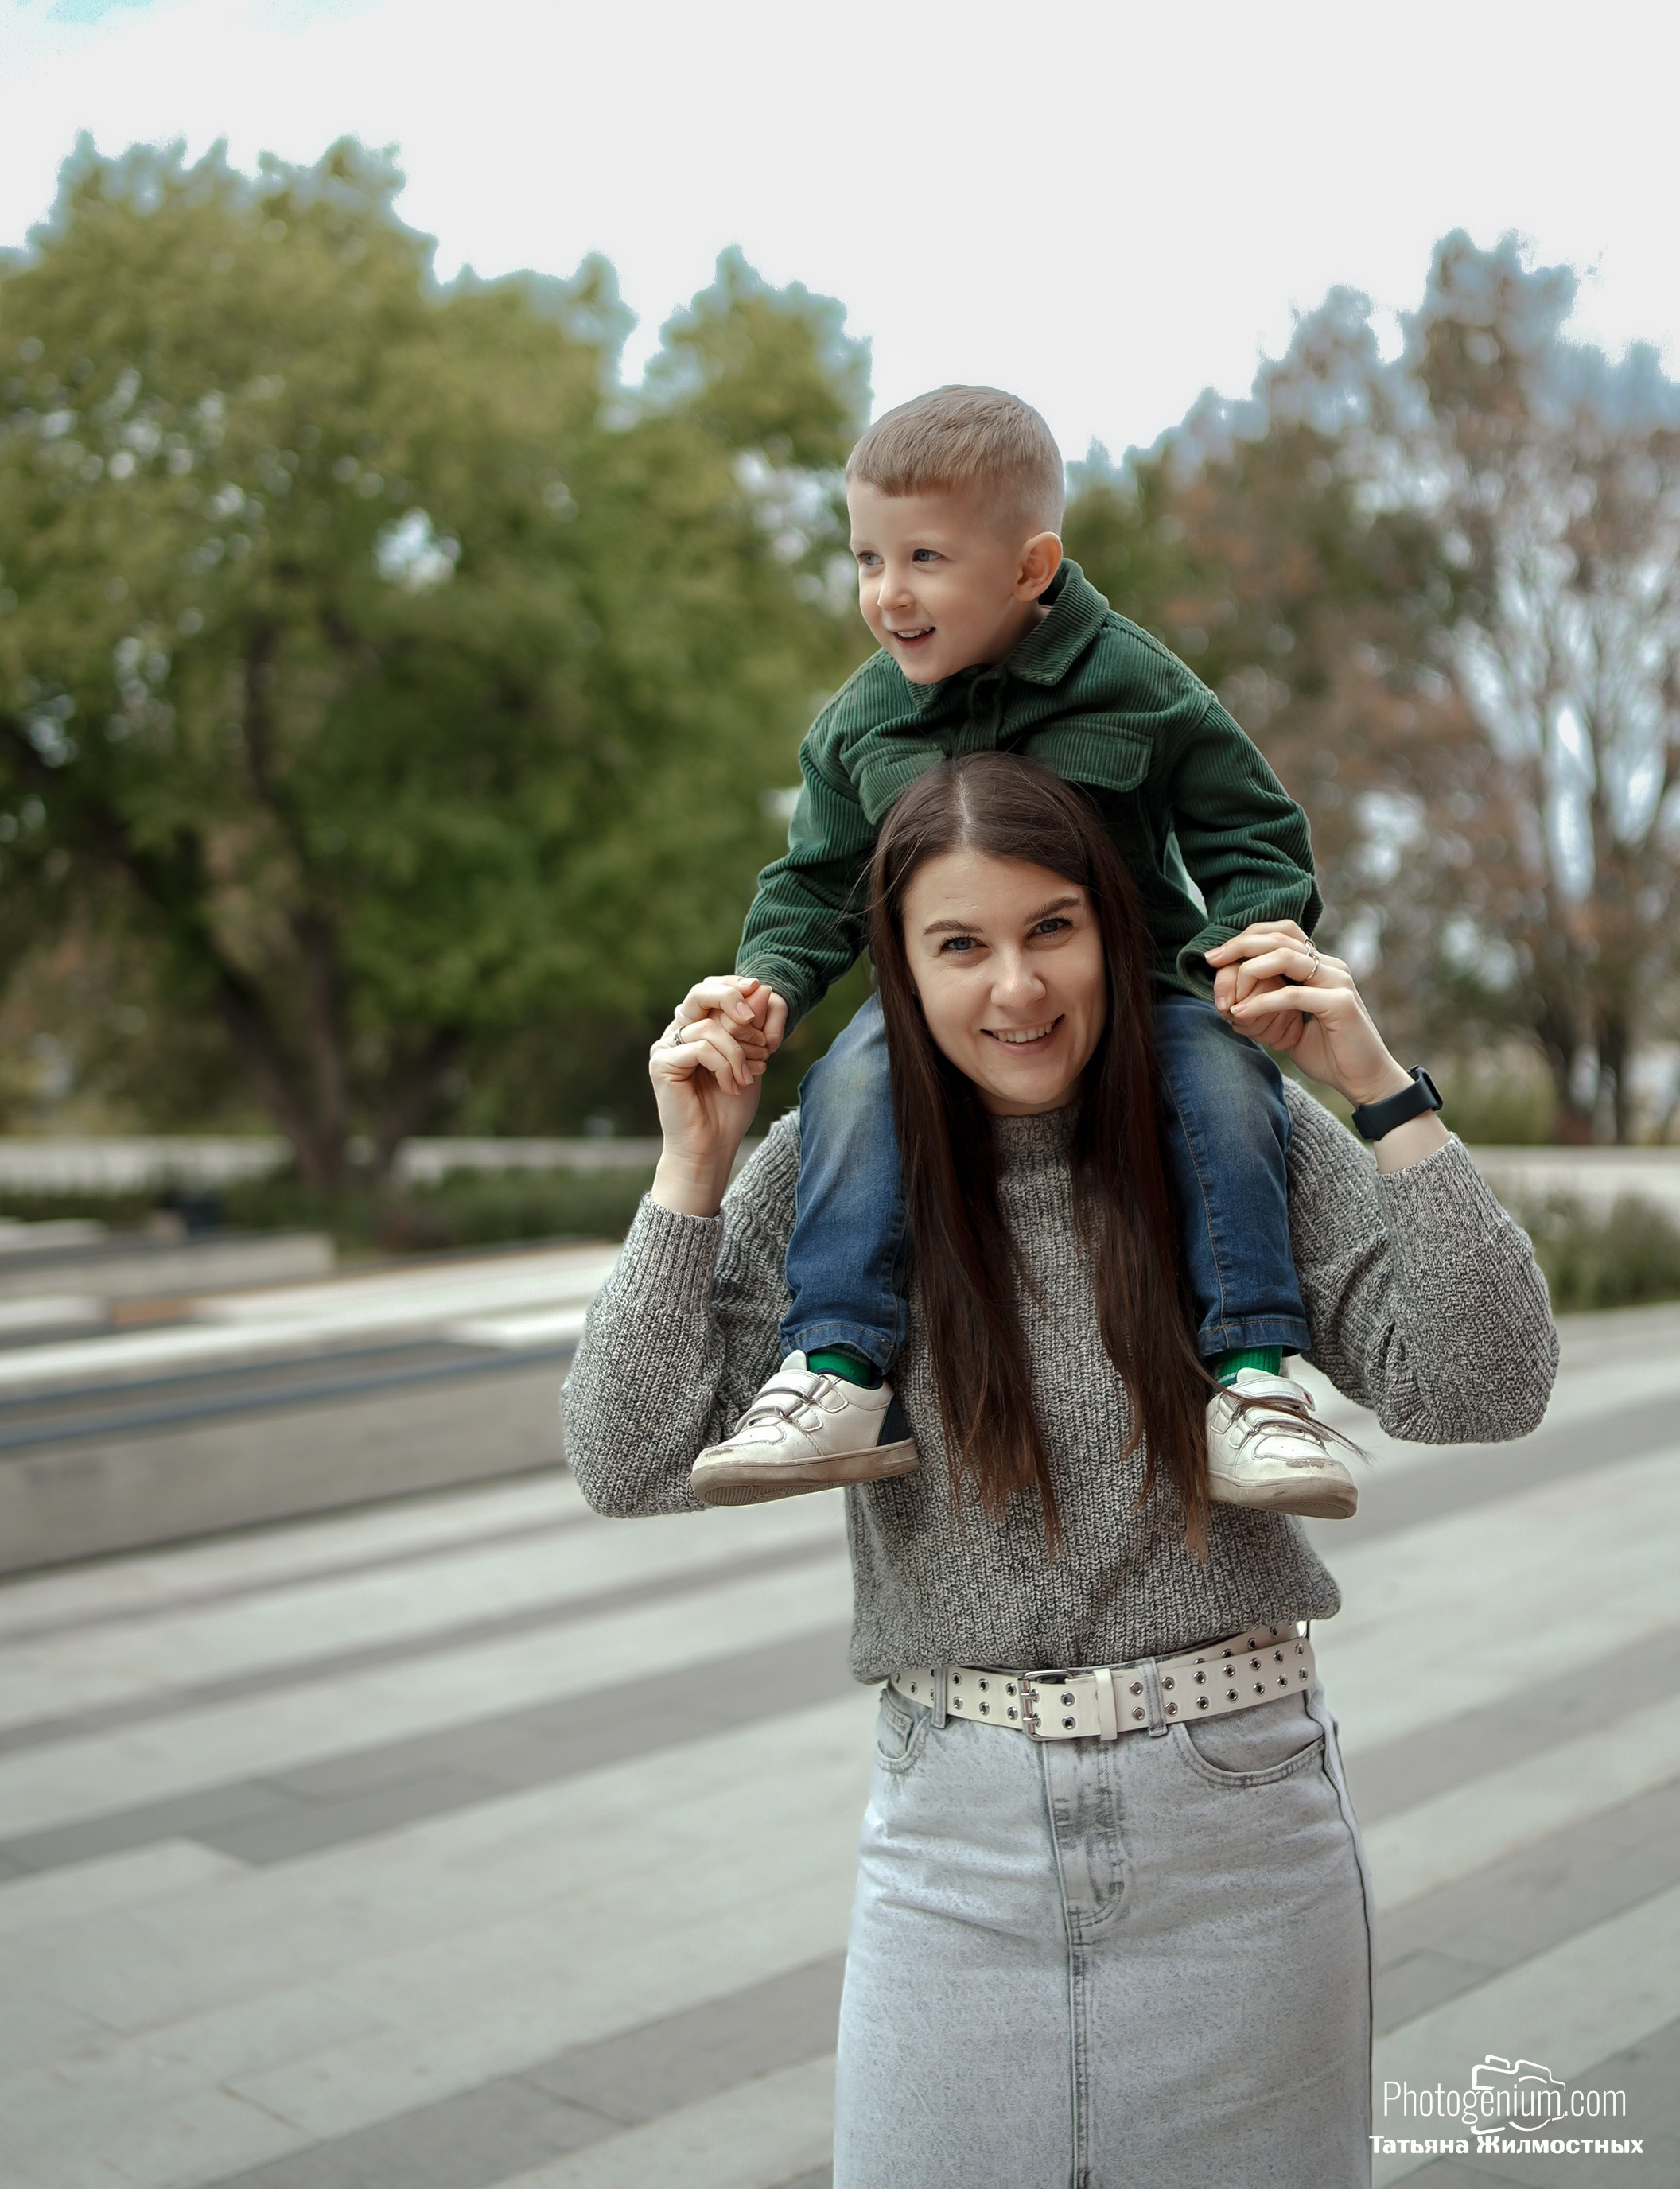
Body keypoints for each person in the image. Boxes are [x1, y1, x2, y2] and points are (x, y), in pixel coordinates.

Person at [562, 751, 1557, 2187]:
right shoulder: (839, 1170)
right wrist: (689, 1181)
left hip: (1235, 1828)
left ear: (1111, 928)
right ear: (899, 966)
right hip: (948, 1846)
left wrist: (1384, 1096)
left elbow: (1484, 1382)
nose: (1014, 990)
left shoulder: (1228, 1138)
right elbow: (624, 1454)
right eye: (958, 944)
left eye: (1050, 930)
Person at [679, 383, 1383, 1522]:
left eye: (922, 557)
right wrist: (768, 984)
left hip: (1131, 998)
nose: (886, 593)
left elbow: (1251, 828)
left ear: (1029, 566)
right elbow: (810, 879)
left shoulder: (1138, 685)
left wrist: (1233, 957)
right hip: (938, 1015)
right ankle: (838, 1366)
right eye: (865, 557)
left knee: (1217, 1071)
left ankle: (1253, 1378)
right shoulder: (857, 724)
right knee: (855, 1076)